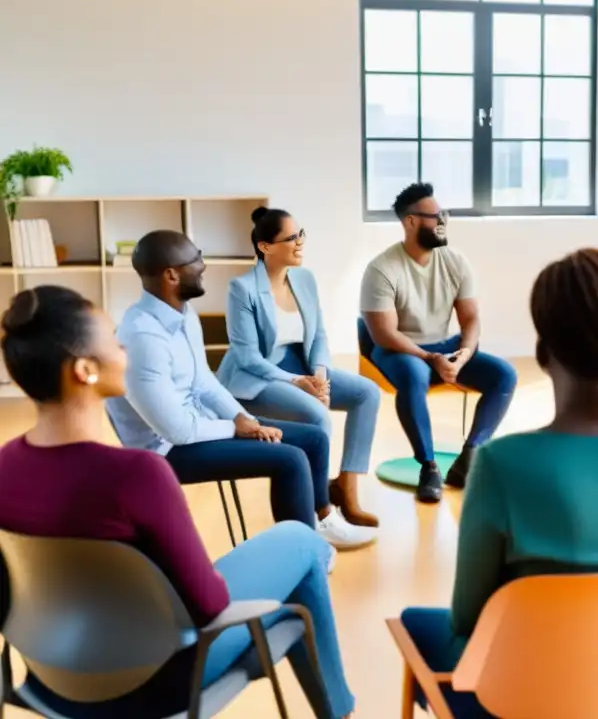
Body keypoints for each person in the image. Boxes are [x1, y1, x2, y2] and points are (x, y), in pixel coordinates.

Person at [0, 286, 357, 718]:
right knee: (302, 543)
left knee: (297, 555)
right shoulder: (136, 476)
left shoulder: (5, 468)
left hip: (52, 677)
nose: (124, 348)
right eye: (113, 339)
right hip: (159, 680)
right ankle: (340, 711)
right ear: (85, 370)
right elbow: (209, 605)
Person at [400, 248, 598, 719]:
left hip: (522, 701)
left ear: (544, 353)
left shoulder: (503, 465)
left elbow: (469, 621)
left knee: (413, 625)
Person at [106, 230, 374, 550]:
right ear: (172, 275)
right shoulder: (142, 336)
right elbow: (176, 431)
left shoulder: (183, 313)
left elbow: (204, 380)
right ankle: (302, 551)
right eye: (196, 259)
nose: (203, 265)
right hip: (167, 451)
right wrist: (235, 427)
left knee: (313, 438)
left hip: (197, 425)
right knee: (288, 459)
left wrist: (244, 417)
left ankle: (323, 520)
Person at [218, 207, 381, 529]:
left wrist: (319, 375)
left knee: (368, 393)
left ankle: (345, 487)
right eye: (291, 238)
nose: (300, 243)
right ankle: (321, 510)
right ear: (265, 247)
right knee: (316, 415)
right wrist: (297, 382)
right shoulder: (243, 289)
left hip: (303, 365)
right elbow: (249, 357)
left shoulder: (304, 278)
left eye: (300, 234)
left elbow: (319, 333)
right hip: (258, 375)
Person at [360, 182, 517, 504]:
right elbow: (384, 334)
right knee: (414, 376)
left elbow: (471, 319)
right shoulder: (381, 268)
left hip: (446, 346)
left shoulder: (455, 261)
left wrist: (463, 356)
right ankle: (428, 467)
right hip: (399, 351)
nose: (443, 221)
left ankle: (470, 456)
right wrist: (431, 358)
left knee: (504, 375)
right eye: (435, 216)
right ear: (411, 222)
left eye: (444, 214)